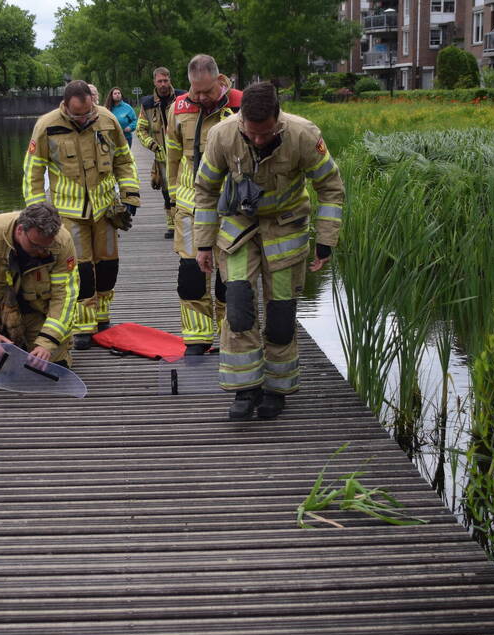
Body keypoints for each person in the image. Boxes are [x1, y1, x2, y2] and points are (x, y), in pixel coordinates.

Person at [193, 81, 345, 420]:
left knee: (280, 316)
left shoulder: (304, 135)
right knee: (238, 308)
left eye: (266, 134)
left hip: (285, 228)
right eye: (252, 134)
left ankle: (277, 390)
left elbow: (331, 188)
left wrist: (326, 240)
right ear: (242, 120)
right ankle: (246, 390)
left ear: (279, 118)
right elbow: (204, 190)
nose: (259, 140)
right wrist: (202, 243)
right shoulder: (222, 135)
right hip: (237, 229)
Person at [22, 80, 140, 350]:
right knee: (80, 268)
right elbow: (33, 172)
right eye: (78, 114)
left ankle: (103, 317)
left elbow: (124, 159)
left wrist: (130, 194)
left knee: (108, 265)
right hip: (68, 212)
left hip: (105, 209)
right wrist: (38, 214)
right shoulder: (46, 126)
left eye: (88, 112)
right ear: (66, 106)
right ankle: (83, 325)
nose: (84, 118)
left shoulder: (107, 120)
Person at [165, 54, 241, 355]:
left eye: (206, 91)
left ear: (220, 81)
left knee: (228, 277)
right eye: (194, 90)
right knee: (191, 275)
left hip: (230, 207)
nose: (199, 97)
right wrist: (172, 199)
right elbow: (171, 156)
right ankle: (196, 338)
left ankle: (228, 336)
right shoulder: (179, 107)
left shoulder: (240, 105)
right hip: (189, 205)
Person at [0, 203, 79, 368]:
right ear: (20, 230)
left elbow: (65, 296)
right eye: (35, 245)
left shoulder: (62, 241)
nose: (42, 251)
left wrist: (47, 341)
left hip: (39, 313)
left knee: (54, 366)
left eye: (46, 247)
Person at [136, 67, 186, 240]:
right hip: (162, 157)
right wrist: (153, 146)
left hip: (183, 155)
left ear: (170, 79)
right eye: (160, 81)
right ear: (154, 82)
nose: (163, 84)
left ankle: (183, 222)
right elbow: (140, 130)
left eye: (166, 80)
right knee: (166, 191)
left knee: (185, 188)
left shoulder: (182, 98)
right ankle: (171, 225)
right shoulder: (147, 104)